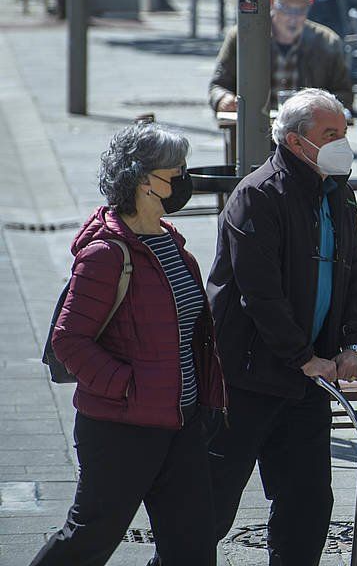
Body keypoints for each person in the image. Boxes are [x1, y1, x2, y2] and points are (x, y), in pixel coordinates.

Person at [33, 124, 224, 566]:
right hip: (122, 429)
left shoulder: (170, 241)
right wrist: (128, 387)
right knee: (88, 541)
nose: (184, 179)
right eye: (175, 171)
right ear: (143, 180)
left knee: (192, 549)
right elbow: (69, 340)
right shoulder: (106, 254)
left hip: (181, 424)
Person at [205, 89, 357, 564]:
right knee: (211, 505)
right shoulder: (258, 195)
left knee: (308, 505)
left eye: (344, 132)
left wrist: (354, 342)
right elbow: (259, 295)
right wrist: (304, 357)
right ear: (298, 143)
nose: (343, 143)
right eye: (330, 135)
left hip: (310, 379)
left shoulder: (338, 191)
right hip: (249, 378)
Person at [208, 0, 353, 112]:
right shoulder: (243, 36)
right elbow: (218, 85)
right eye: (286, 9)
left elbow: (344, 94)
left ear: (310, 3)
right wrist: (224, 99)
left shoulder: (327, 41)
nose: (293, 18)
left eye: (300, 10)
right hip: (254, 126)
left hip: (304, 130)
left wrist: (318, 107)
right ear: (272, 2)